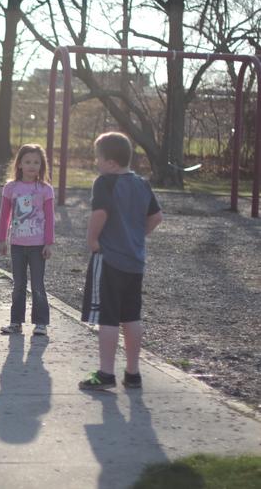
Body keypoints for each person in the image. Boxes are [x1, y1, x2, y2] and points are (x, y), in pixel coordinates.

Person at [78, 132, 163, 390]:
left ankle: (105, 373)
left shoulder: (105, 182)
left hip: (109, 258)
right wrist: (136, 236)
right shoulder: (142, 184)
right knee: (131, 317)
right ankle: (133, 373)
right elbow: (156, 217)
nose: (96, 163)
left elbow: (100, 213)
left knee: (109, 317)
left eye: (98, 159)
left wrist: (92, 239)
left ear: (111, 163)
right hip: (135, 261)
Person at [0, 143, 55, 336]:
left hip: (38, 246)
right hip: (18, 245)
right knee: (18, 285)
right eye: (28, 161)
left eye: (36, 162)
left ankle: (41, 324)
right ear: (19, 164)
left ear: (42, 165)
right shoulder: (11, 187)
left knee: (38, 285)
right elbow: (4, 216)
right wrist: (2, 239)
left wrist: (48, 242)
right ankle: (15, 323)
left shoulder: (45, 190)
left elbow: (50, 218)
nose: (32, 166)